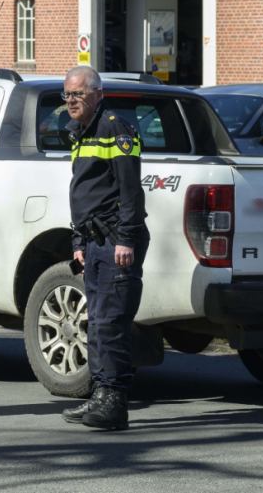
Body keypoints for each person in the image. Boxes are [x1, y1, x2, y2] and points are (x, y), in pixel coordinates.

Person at [60, 66, 149, 431]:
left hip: (116, 241)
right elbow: (85, 193)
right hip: (95, 241)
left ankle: (114, 401)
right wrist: (79, 241)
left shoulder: (115, 129)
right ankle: (99, 395)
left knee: (111, 323)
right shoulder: (81, 132)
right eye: (67, 95)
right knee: (96, 323)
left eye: (78, 94)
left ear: (98, 94)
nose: (71, 101)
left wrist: (125, 238)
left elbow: (130, 190)